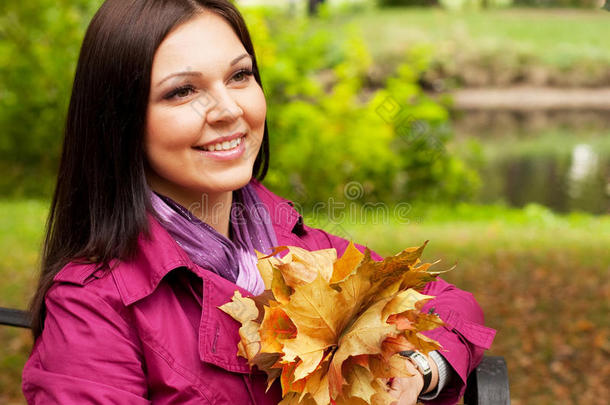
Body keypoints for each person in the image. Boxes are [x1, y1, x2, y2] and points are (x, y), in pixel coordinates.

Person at [21, 1, 496, 404]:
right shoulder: (93, 305)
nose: (229, 110)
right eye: (183, 91)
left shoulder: (293, 243)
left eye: (239, 76)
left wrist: (418, 368)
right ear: (120, 121)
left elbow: (449, 305)